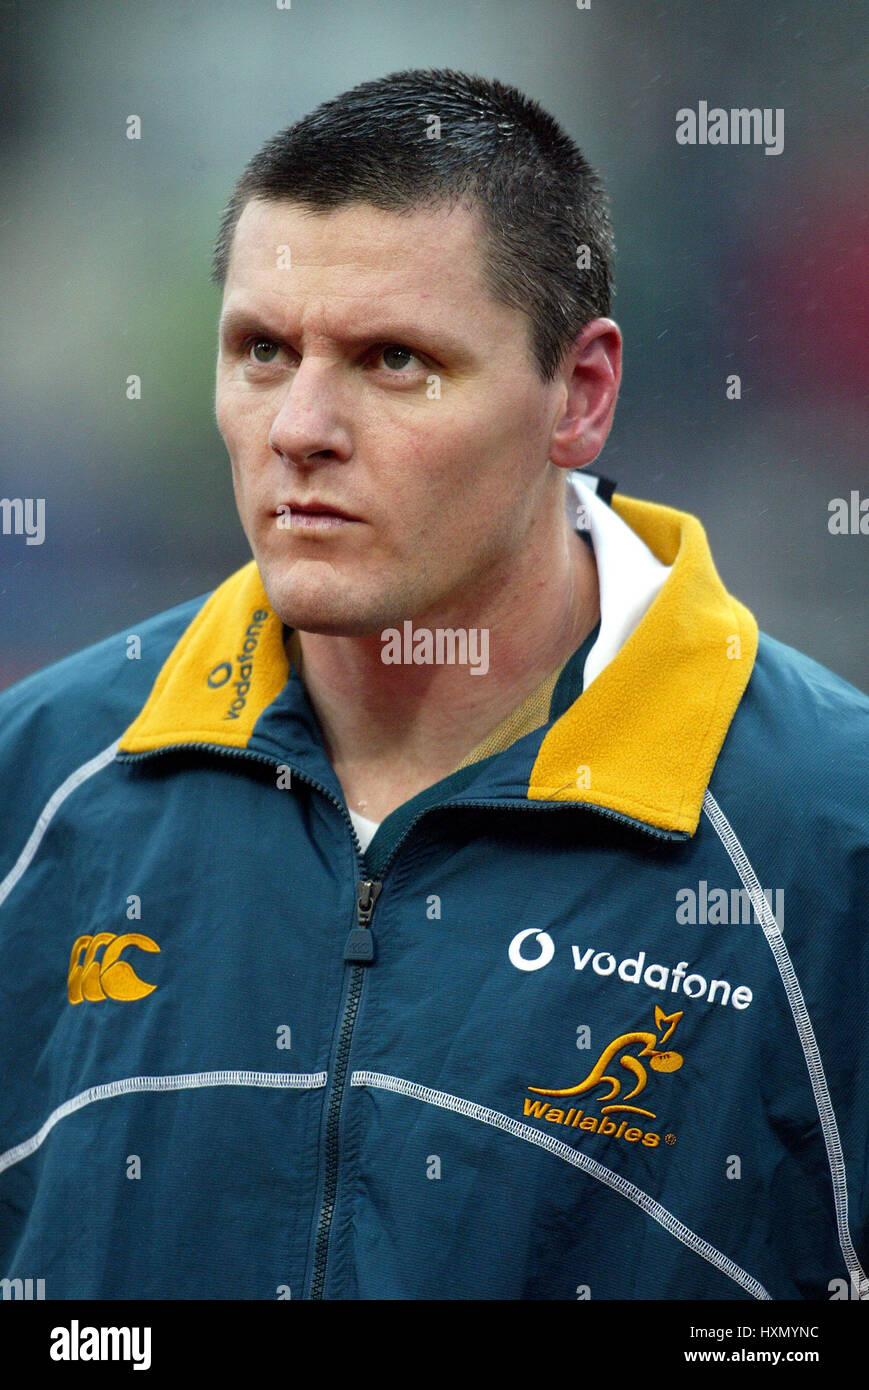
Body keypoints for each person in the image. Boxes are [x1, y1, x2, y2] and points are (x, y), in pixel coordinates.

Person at [0, 68, 866, 1303]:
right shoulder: (36, 782)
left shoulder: (826, 842)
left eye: (393, 359)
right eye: (261, 350)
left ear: (579, 396)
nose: (299, 426)